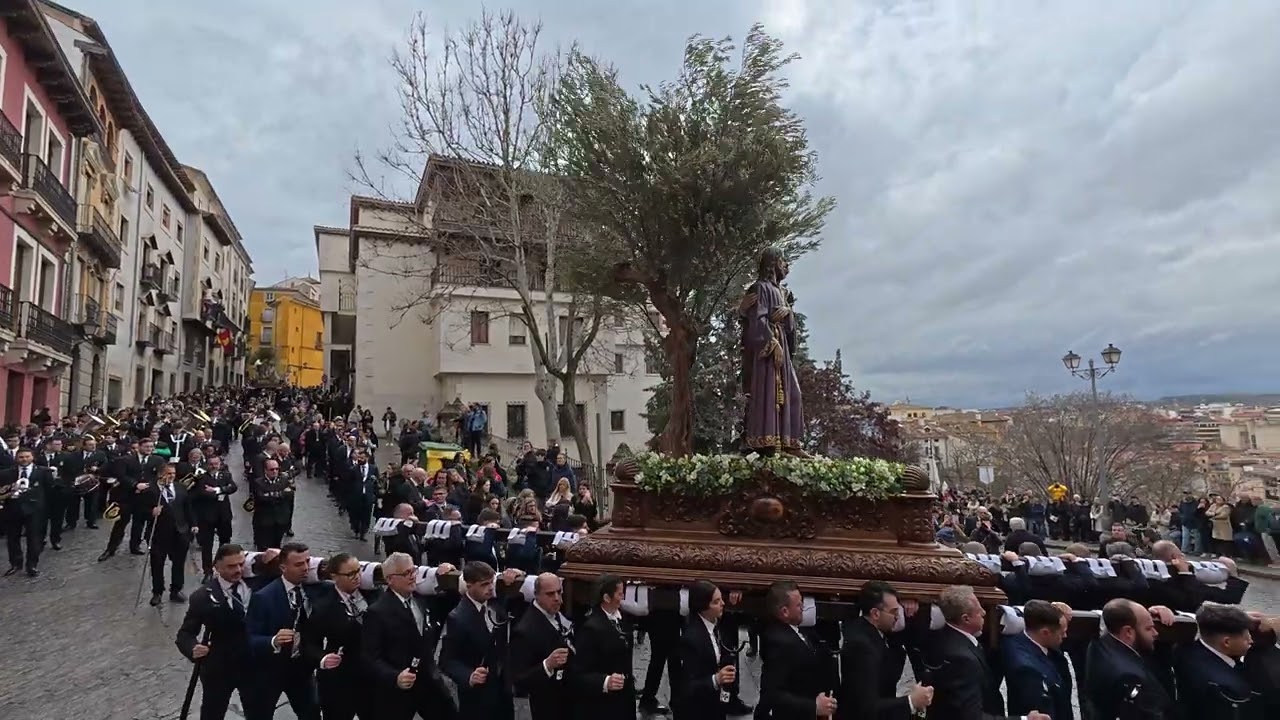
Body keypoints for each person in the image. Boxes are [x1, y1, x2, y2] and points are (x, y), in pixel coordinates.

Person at [926, 585, 1046, 720]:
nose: (984, 612)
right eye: (979, 611)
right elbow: (972, 716)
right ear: (966, 619)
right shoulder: (962, 660)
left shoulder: (944, 638)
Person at [361, 551, 456, 720]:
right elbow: (371, 657)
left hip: (429, 682)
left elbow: (448, 600)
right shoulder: (377, 612)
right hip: (398, 690)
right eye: (406, 573)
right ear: (390, 579)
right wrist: (395, 677)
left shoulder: (421, 600)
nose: (412, 577)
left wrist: (447, 569)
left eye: (413, 571)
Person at [175, 543, 256, 720]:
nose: (238, 570)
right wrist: (193, 648)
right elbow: (185, 634)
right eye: (231, 566)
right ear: (217, 567)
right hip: (219, 668)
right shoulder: (202, 597)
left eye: (241, 564)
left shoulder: (255, 585)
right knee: (213, 713)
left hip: (252, 664)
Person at [739, 247, 806, 456]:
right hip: (768, 352)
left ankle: (790, 442)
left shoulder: (782, 292)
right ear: (773, 263)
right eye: (783, 260)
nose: (786, 265)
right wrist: (771, 343)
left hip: (782, 347)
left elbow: (788, 324)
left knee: (792, 393)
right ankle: (768, 444)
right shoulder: (760, 288)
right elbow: (756, 320)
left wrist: (788, 314)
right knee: (769, 394)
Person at [245, 541, 322, 719]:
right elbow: (250, 638)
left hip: (302, 671)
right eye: (298, 564)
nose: (305, 568)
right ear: (282, 567)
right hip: (271, 672)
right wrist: (272, 641)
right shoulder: (264, 597)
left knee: (311, 713)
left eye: (307, 562)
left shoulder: (316, 590)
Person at [837, 580, 932, 720]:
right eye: (893, 612)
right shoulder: (861, 647)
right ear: (875, 613)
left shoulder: (874, 634)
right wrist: (911, 701)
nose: (898, 617)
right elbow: (865, 707)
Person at [303, 552, 380, 720]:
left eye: (358, 571)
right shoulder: (324, 606)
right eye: (350, 574)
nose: (356, 577)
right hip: (340, 681)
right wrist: (322, 658)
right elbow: (308, 643)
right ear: (334, 576)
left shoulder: (374, 595)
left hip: (372, 678)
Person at [439, 561, 514, 719]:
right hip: (478, 696)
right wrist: (468, 676)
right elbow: (446, 660)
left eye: (492, 582)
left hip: (502, 689)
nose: (491, 588)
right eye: (484, 584)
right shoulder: (458, 618)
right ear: (469, 585)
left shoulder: (495, 605)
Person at [1083, 599, 1178, 720]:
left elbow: (1111, 613)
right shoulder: (1130, 676)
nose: (1155, 633)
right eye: (1149, 628)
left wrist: (1146, 615)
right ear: (1128, 632)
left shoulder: (1098, 646)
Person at [759, 580, 837, 719]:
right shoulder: (778, 642)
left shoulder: (800, 633)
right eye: (799, 605)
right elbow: (773, 695)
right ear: (785, 611)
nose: (803, 608)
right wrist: (814, 707)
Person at [1174, 603, 1262, 718]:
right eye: (1246, 637)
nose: (1251, 641)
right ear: (1227, 642)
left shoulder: (1184, 650)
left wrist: (1237, 617)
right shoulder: (1231, 688)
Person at [510, 572, 578, 720]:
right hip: (547, 707)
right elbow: (519, 679)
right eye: (550, 594)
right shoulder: (525, 630)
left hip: (569, 700)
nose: (557, 599)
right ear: (537, 595)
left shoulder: (561, 615)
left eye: (559, 592)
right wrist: (547, 665)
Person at [570, 573, 636, 720]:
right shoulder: (591, 628)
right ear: (606, 598)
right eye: (620, 594)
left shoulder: (624, 619)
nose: (623, 598)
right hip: (603, 704)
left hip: (624, 699)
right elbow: (579, 672)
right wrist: (606, 681)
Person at [672, 579, 739, 720]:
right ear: (703, 606)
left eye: (721, 599)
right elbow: (687, 686)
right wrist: (716, 679)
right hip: (697, 712)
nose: (722, 604)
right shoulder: (691, 639)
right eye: (716, 601)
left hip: (715, 707)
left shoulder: (717, 626)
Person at [1001, 600, 1072, 720]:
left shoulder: (1018, 640)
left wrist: (1051, 608)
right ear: (1045, 633)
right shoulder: (1028, 670)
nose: (1065, 636)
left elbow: (1031, 607)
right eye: (1062, 633)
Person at [99, 438, 165, 561]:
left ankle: (135, 546)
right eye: (146, 447)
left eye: (151, 447)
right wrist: (135, 485)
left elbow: (158, 476)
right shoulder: (125, 460)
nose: (149, 449)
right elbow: (121, 476)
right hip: (127, 497)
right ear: (139, 447)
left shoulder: (158, 460)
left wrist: (147, 486)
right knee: (121, 523)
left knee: (138, 523)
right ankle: (111, 549)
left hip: (145, 497)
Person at [146, 464, 193, 606]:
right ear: (160, 475)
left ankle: (176, 590)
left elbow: (188, 508)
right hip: (158, 533)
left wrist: (194, 524)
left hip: (180, 532)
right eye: (168, 473)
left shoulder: (180, 487)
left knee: (178, 563)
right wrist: (151, 512)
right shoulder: (150, 490)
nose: (171, 476)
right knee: (157, 564)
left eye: (173, 473)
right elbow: (139, 510)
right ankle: (157, 592)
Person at [2, 448, 50, 577]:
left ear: (32, 457)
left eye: (27, 456)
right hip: (13, 509)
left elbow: (49, 491)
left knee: (34, 539)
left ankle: (32, 565)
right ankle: (16, 564)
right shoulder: (6, 473)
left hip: (35, 511)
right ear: (16, 458)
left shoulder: (43, 472)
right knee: (12, 539)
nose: (24, 459)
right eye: (21, 457)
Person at [190, 454, 237, 580]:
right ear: (207, 465)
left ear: (220, 464)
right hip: (207, 516)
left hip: (224, 515)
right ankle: (208, 572)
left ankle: (224, 568)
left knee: (225, 544)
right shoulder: (201, 477)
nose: (214, 466)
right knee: (207, 546)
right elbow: (201, 493)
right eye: (211, 464)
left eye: (216, 464)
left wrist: (217, 490)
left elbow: (233, 487)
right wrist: (221, 491)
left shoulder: (225, 475)